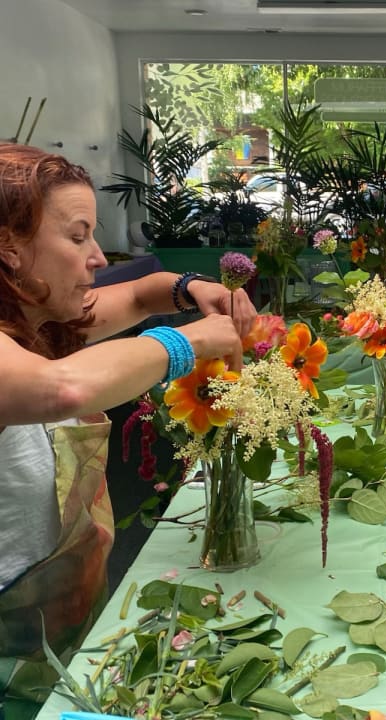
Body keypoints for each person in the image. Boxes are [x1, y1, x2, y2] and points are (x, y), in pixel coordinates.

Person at [0, 144, 256, 715]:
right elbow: (61, 390)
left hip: (53, 626)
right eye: (77, 236)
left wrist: (192, 287)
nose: (97, 256)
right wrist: (187, 342)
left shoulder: (38, 322)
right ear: (8, 247)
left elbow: (142, 293)